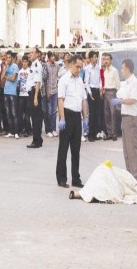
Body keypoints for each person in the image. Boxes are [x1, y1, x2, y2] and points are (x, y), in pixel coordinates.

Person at [56, 55, 88, 188]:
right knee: (63, 148)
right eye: (77, 66)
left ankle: (76, 178)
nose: (79, 69)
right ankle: (61, 178)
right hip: (67, 115)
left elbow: (83, 100)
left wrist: (85, 118)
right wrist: (62, 118)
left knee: (76, 149)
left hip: (77, 117)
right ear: (71, 65)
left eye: (81, 67)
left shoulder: (80, 80)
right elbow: (60, 100)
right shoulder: (64, 80)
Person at [111, 58, 137, 183]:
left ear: (127, 69)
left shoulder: (135, 82)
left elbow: (133, 99)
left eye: (122, 68)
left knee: (132, 150)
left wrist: (120, 101)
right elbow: (120, 94)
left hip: (131, 118)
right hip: (125, 118)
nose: (121, 71)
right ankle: (130, 178)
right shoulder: (126, 82)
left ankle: (136, 180)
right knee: (126, 151)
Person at [26, 47, 44, 148]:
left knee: (36, 118)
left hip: (34, 93)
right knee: (34, 117)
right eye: (30, 52)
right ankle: (38, 139)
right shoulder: (33, 64)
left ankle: (36, 141)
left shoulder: (37, 65)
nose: (30, 54)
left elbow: (37, 82)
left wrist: (36, 97)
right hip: (32, 93)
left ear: (37, 54)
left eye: (32, 52)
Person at [102, 52, 120, 141]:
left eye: (107, 59)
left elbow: (118, 84)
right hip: (105, 92)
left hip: (112, 92)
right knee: (107, 113)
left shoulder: (114, 70)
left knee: (113, 113)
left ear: (111, 60)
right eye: (104, 59)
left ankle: (114, 133)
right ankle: (109, 133)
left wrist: (115, 93)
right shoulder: (104, 71)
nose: (106, 61)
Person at [84, 51, 102, 142]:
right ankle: (90, 134)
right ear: (90, 58)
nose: (96, 58)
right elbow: (86, 81)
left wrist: (100, 87)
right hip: (91, 91)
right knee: (91, 113)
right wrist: (90, 93)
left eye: (96, 57)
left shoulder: (98, 68)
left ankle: (95, 133)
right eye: (94, 57)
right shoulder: (87, 68)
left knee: (97, 113)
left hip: (97, 90)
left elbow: (100, 79)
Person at [1, 50, 19, 139]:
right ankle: (11, 131)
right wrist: (5, 67)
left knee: (14, 113)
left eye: (9, 57)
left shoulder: (15, 66)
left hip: (12, 92)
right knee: (8, 113)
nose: (7, 59)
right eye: (6, 57)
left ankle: (16, 132)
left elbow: (13, 78)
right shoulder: (6, 66)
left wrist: (6, 77)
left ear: (12, 57)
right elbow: (1, 77)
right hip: (6, 91)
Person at [43, 51, 60, 138]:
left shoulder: (57, 66)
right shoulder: (46, 66)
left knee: (54, 111)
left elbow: (58, 77)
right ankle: (48, 130)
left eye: (54, 56)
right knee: (48, 111)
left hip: (55, 90)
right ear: (49, 57)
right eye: (52, 56)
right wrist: (47, 92)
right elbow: (45, 80)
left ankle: (53, 129)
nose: (54, 57)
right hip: (48, 91)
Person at [17, 55, 32, 137]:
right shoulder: (20, 72)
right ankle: (23, 128)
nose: (24, 63)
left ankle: (27, 130)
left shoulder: (30, 71)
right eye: (23, 61)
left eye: (26, 61)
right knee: (20, 114)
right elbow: (18, 83)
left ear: (28, 62)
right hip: (21, 95)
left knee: (27, 115)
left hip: (28, 95)